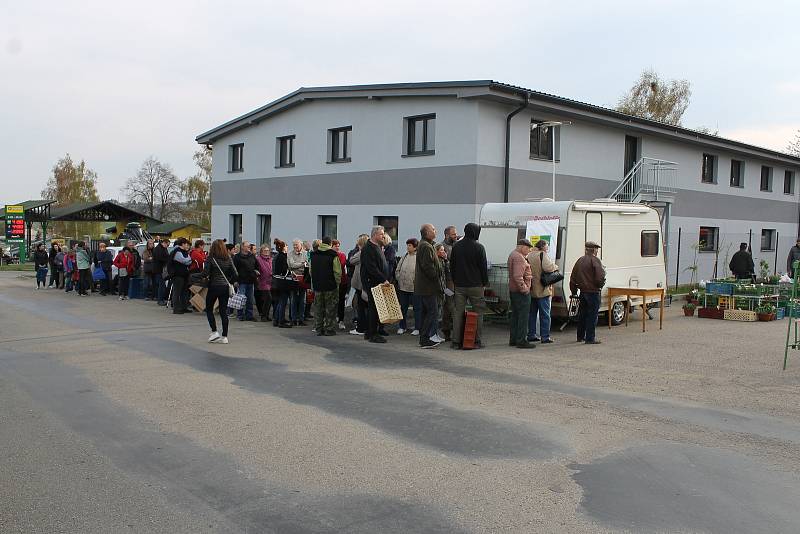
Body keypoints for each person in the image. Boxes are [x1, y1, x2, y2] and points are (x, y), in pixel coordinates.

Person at [450, 223, 489, 349]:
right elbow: (483, 268)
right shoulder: (479, 247)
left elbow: (452, 266)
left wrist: (455, 280)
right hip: (476, 285)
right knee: (478, 313)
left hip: (460, 285)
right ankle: (476, 341)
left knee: (458, 313)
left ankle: (456, 341)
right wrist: (484, 283)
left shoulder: (456, 246)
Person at [569, 242, 606, 345]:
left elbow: (572, 278)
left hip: (582, 292)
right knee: (592, 316)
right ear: (594, 250)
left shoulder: (580, 260)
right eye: (596, 249)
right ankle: (590, 338)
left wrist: (574, 291)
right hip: (593, 292)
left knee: (582, 315)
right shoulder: (595, 260)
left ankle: (580, 336)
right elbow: (600, 277)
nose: (597, 251)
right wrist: (599, 285)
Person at [203, 239, 239, 344]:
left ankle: (214, 332)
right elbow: (236, 274)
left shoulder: (211, 258)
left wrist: (193, 276)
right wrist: (229, 281)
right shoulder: (228, 258)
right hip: (224, 287)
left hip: (214, 286)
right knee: (223, 311)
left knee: (209, 309)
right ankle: (225, 337)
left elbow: (205, 273)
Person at [415, 224, 443, 349]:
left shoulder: (427, 245)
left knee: (428, 312)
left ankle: (425, 337)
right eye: (433, 229)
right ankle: (425, 338)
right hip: (428, 286)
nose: (435, 231)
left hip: (426, 286)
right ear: (426, 233)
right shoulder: (426, 246)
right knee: (432, 312)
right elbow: (428, 266)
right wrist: (436, 276)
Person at [361, 225, 390, 343]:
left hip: (378, 282)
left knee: (376, 308)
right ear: (375, 235)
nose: (383, 236)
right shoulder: (368, 248)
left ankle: (370, 332)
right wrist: (383, 279)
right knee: (374, 309)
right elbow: (371, 268)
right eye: (381, 234)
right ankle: (373, 334)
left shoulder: (377, 246)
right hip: (373, 282)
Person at [528, 239, 559, 344]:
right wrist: (555, 266)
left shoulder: (530, 254)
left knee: (532, 314)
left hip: (531, 289)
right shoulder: (542, 254)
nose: (547, 248)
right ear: (542, 246)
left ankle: (531, 334)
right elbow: (548, 268)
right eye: (547, 246)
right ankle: (545, 337)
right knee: (545, 314)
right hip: (542, 288)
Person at [310, 236, 342, 336]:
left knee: (318, 308)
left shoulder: (313, 255)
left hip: (318, 286)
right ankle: (329, 329)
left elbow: (311, 271)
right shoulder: (333, 255)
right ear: (330, 244)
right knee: (330, 308)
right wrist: (337, 283)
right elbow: (337, 272)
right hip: (330, 286)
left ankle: (319, 328)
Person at [508, 239, 535, 349]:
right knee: (523, 316)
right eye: (528, 248)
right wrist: (525, 289)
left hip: (513, 290)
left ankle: (514, 339)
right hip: (520, 292)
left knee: (515, 315)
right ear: (522, 246)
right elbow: (518, 276)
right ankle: (521, 340)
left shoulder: (512, 254)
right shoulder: (519, 257)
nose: (529, 250)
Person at [395, 238, 421, 335]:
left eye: (410, 245)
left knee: (417, 308)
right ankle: (402, 326)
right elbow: (398, 269)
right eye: (407, 245)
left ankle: (417, 327)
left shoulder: (418, 257)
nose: (408, 247)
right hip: (403, 287)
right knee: (403, 308)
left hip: (415, 288)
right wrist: (399, 278)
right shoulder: (404, 256)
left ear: (415, 247)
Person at [348, 235, 369, 336]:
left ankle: (361, 328)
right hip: (365, 282)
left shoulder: (362, 253)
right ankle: (366, 326)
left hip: (360, 282)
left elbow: (351, 260)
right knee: (366, 307)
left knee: (361, 306)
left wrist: (359, 250)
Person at [233, 240, 258, 321]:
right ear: (242, 247)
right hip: (241, 281)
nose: (249, 248)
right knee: (241, 299)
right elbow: (234, 269)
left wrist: (256, 271)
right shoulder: (237, 257)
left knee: (250, 299)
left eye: (249, 247)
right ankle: (240, 315)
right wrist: (235, 280)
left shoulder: (252, 256)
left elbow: (256, 265)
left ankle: (249, 315)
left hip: (251, 280)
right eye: (247, 246)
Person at [435, 243, 455, 342]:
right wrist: (445, 290)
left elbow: (448, 271)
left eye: (444, 250)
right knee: (446, 309)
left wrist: (446, 260)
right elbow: (442, 277)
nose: (444, 252)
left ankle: (444, 332)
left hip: (446, 289)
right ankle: (439, 333)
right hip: (443, 289)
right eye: (442, 250)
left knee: (446, 309)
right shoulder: (437, 262)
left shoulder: (443, 261)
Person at [271, 239, 292, 328]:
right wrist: (290, 271)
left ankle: (276, 319)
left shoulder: (277, 256)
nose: (287, 248)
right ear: (283, 247)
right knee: (282, 302)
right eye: (286, 246)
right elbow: (284, 270)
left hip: (277, 281)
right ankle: (281, 321)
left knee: (280, 301)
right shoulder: (282, 257)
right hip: (283, 282)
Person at [287, 239, 308, 326]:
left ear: (301, 245)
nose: (295, 246)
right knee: (293, 299)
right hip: (294, 278)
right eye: (294, 245)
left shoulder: (305, 253)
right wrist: (302, 264)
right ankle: (293, 318)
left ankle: (301, 319)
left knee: (303, 300)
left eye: (297, 245)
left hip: (303, 278)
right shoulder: (290, 254)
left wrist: (298, 265)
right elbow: (291, 265)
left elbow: (307, 264)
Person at [170, 238, 193, 313]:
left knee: (184, 292)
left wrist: (188, 260)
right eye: (187, 244)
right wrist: (188, 260)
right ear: (183, 244)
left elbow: (188, 261)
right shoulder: (177, 251)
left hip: (184, 274)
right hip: (177, 274)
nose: (188, 246)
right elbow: (184, 260)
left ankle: (184, 307)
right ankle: (176, 308)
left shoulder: (184, 252)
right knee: (177, 292)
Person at [332, 239, 349, 330]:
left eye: (338, 245)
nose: (337, 247)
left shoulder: (342, 255)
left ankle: (341, 320)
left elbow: (342, 264)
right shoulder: (330, 255)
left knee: (341, 301)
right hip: (333, 281)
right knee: (333, 301)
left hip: (342, 281)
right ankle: (334, 318)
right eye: (335, 246)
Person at [255, 244, 273, 322]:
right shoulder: (258, 259)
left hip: (270, 281)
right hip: (262, 281)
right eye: (264, 250)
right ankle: (263, 316)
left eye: (267, 250)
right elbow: (256, 268)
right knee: (268, 298)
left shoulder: (270, 259)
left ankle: (266, 315)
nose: (266, 252)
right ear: (261, 251)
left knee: (268, 300)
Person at [152, 238, 170, 305]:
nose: (167, 246)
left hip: (161, 269)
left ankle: (161, 299)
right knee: (161, 285)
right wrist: (167, 259)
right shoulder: (158, 249)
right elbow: (159, 258)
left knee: (162, 285)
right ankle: (160, 300)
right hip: (159, 269)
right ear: (164, 243)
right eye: (167, 245)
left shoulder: (163, 248)